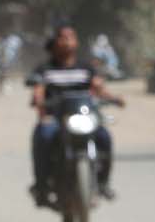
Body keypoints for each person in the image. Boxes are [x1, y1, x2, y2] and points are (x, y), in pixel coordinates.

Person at [27, 26, 124, 205]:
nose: (68, 41)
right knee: (43, 136)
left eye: (71, 37)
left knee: (104, 137)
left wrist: (114, 99)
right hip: (55, 119)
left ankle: (103, 183)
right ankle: (42, 186)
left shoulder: (85, 67)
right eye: (63, 38)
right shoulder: (45, 69)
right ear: (54, 43)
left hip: (82, 117)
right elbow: (38, 90)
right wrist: (38, 100)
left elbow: (99, 88)